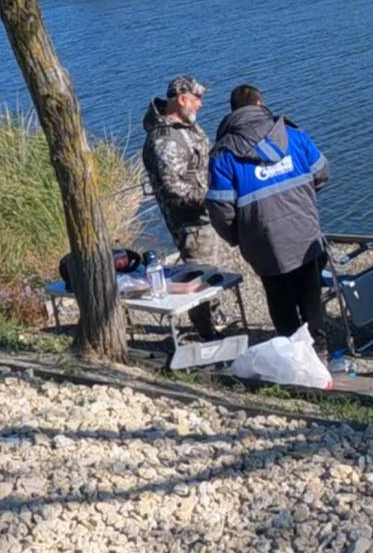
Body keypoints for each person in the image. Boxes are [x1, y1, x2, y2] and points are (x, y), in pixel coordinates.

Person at [207, 84, 331, 353]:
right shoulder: (292, 134)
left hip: (262, 243)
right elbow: (321, 173)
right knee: (311, 295)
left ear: (233, 112)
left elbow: (220, 210)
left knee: (279, 299)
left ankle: (292, 357)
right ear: (260, 103)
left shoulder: (223, 154)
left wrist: (238, 237)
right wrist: (302, 200)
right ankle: (319, 353)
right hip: (303, 230)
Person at [140, 74, 236, 340]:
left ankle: (214, 317)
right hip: (191, 223)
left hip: (206, 216)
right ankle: (207, 333)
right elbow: (174, 189)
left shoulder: (186, 128)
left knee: (213, 272)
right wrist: (213, 198)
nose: (201, 104)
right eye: (197, 99)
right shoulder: (165, 140)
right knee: (202, 276)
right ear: (182, 99)